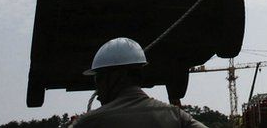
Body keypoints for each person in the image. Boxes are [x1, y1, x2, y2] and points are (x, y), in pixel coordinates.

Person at [70, 37, 209, 128]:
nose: (98, 90)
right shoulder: (177, 117)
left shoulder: (89, 123)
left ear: (116, 78)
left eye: (98, 79)